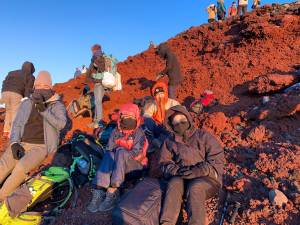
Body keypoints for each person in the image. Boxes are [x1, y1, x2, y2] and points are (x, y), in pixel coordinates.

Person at [0, 71, 67, 200]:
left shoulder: (57, 104)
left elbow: (61, 124)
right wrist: (14, 143)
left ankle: (2, 197)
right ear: (34, 87)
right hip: (21, 143)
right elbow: (17, 124)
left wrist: (44, 110)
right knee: (3, 164)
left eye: (46, 86)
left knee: (20, 168)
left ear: (51, 87)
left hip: (41, 146)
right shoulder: (26, 103)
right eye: (39, 85)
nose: (41, 88)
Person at [159, 105, 225, 225]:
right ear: (171, 125)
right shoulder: (169, 141)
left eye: (182, 120)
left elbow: (217, 159)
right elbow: (164, 163)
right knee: (174, 182)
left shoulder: (203, 136)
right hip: (182, 179)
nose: (179, 124)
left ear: (188, 119)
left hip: (207, 180)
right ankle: (167, 222)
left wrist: (200, 170)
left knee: (195, 187)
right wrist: (176, 171)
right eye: (176, 122)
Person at [87, 103, 148, 213]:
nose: (128, 120)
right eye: (125, 118)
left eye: (131, 118)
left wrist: (121, 148)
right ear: (120, 118)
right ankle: (99, 189)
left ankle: (114, 190)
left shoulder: (139, 134)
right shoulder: (116, 131)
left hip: (135, 168)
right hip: (119, 167)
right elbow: (110, 148)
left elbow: (138, 155)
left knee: (120, 151)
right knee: (109, 154)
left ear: (136, 118)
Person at [1, 62, 35, 137]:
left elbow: (4, 82)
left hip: (5, 93)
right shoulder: (30, 76)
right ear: (31, 69)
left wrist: (3, 92)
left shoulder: (12, 72)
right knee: (15, 113)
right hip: (16, 93)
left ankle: (6, 131)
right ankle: (12, 134)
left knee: (8, 111)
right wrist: (26, 97)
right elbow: (28, 88)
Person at [143, 82, 180, 151]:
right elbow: (147, 114)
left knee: (171, 133)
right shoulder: (154, 104)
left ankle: (159, 142)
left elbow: (181, 113)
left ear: (165, 93)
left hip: (169, 127)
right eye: (157, 94)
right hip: (158, 127)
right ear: (154, 96)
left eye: (161, 94)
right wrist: (150, 121)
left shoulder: (173, 103)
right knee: (144, 126)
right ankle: (151, 140)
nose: (160, 96)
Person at [86, 44, 106, 127]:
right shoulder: (100, 57)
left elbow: (100, 69)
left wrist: (95, 64)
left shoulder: (98, 57)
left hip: (99, 82)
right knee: (97, 102)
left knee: (97, 102)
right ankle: (96, 121)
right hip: (100, 82)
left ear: (95, 50)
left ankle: (98, 122)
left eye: (92, 51)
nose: (92, 52)